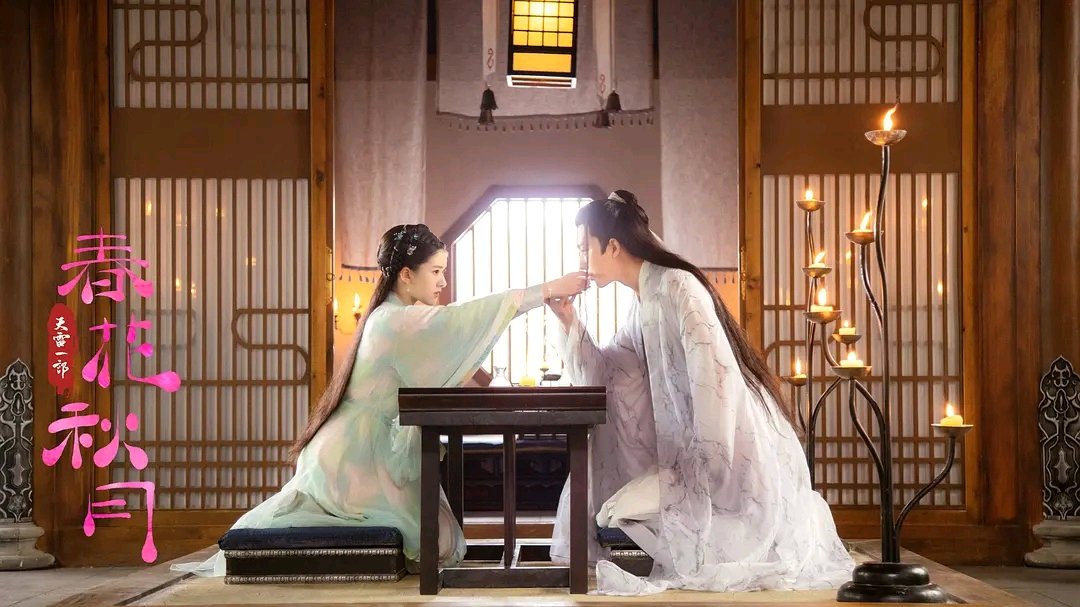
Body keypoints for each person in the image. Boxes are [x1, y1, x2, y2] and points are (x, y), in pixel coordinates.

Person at [174, 223, 588, 576]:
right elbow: (462, 320)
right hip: (353, 456)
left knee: (440, 538)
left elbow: (453, 333)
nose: (443, 282)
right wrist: (546, 289)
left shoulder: (391, 316)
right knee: (436, 539)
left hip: (362, 446)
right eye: (436, 272)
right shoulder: (395, 320)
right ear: (406, 275)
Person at [546, 191, 853, 594]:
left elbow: (717, 381)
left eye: (584, 248)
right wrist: (569, 319)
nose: (581, 259)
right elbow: (612, 374)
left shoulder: (679, 287)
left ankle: (684, 541)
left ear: (614, 247)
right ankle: (659, 545)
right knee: (611, 516)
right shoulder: (642, 302)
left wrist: (705, 467)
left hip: (727, 449)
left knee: (641, 522)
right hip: (687, 458)